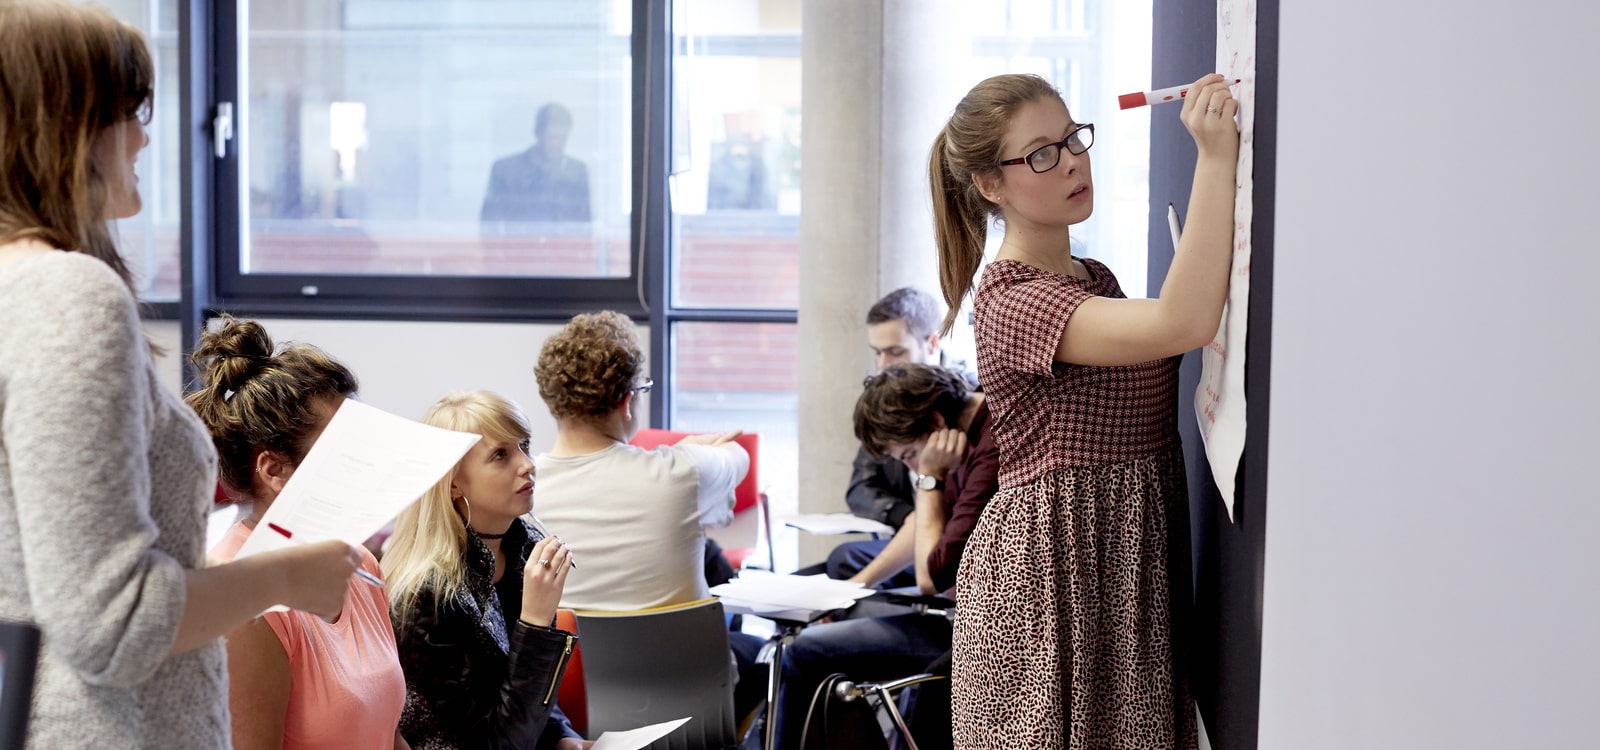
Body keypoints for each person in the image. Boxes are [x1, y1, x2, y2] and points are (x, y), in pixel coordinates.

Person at [0, 3, 361, 746]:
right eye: (130, 109)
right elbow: (116, 622)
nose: (145, 134)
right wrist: (286, 578)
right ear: (65, 123)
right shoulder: (67, 296)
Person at [928, 73, 1239, 748]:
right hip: (1048, 589)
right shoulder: (1011, 299)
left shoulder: (1093, 281)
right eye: (1041, 153)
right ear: (991, 184)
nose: (1071, 160)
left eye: (1073, 139)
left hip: (1119, 575)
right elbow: (1183, 321)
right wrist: (1215, 158)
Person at [530, 311, 767, 720]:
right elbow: (739, 456)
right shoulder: (683, 473)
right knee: (764, 654)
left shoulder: (522, 490)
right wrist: (697, 449)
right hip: (690, 710)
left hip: (566, 713)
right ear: (627, 401)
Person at [186, 317, 409, 749]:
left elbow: (389, 735)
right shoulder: (242, 603)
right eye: (345, 451)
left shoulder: (360, 562)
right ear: (274, 470)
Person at [775, 363, 998, 750]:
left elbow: (934, 577)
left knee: (804, 651)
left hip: (970, 631)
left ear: (936, 420)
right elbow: (920, 526)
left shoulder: (988, 448)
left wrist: (929, 476)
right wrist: (851, 589)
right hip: (953, 612)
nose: (911, 467)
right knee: (831, 604)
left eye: (909, 455)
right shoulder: (965, 436)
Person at [382, 391, 589, 750]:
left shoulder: (520, 549)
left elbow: (528, 697)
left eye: (524, 446)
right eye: (500, 455)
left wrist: (563, 739)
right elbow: (495, 744)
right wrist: (536, 624)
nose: (528, 465)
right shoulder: (426, 596)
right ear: (453, 483)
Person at [820, 287, 978, 588]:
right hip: (912, 528)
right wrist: (909, 515)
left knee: (844, 560)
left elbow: (933, 578)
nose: (883, 365)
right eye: (877, 353)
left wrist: (929, 490)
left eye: (895, 352)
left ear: (932, 342)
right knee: (812, 579)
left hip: (949, 540)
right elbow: (861, 487)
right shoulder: (886, 400)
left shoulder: (969, 402)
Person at [481, 102, 592, 233]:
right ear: (538, 132)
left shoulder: (576, 172)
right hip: (518, 251)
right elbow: (489, 225)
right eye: (552, 137)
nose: (556, 145)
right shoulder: (505, 170)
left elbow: (584, 226)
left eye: (562, 139)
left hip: (561, 251)